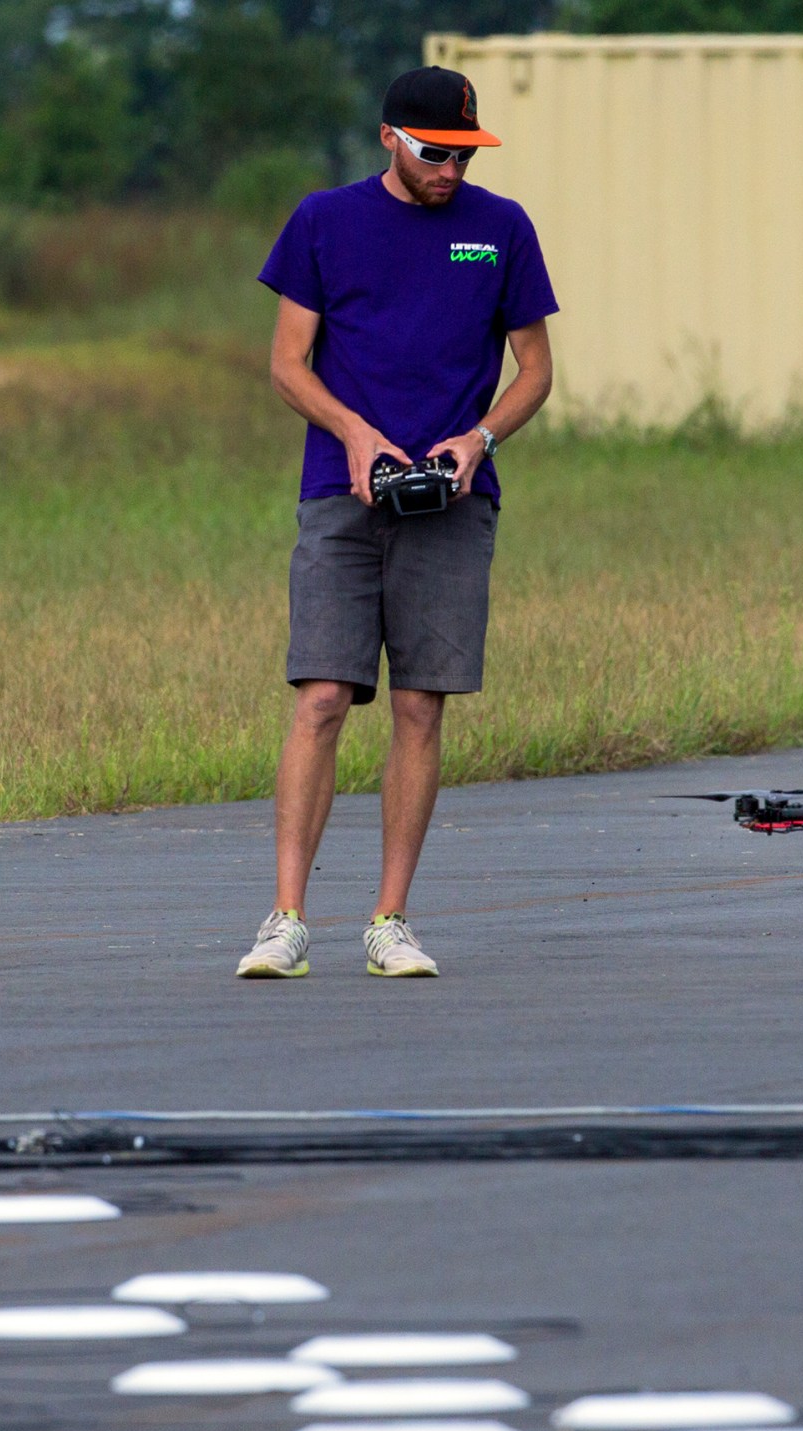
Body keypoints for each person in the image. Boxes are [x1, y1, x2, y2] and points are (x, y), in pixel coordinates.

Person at [237, 67, 557, 980]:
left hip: (453, 504)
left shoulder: (502, 229)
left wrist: (478, 439)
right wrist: (354, 433)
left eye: (463, 153)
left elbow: (534, 370)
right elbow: (288, 364)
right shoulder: (324, 222)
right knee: (324, 697)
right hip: (342, 495)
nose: (449, 169)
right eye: (434, 153)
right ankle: (286, 920)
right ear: (389, 138)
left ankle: (389, 921)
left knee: (421, 706)